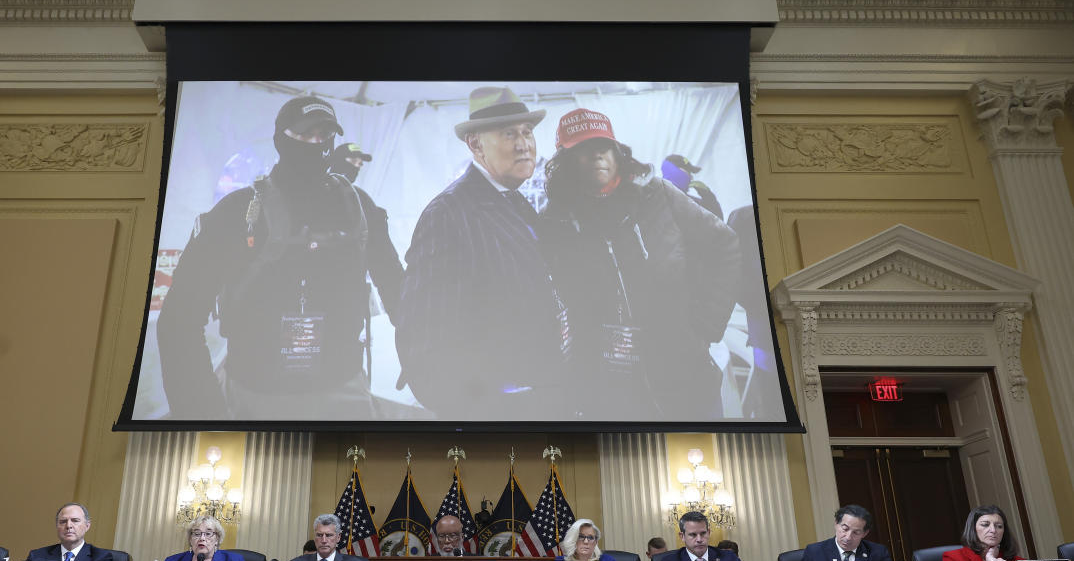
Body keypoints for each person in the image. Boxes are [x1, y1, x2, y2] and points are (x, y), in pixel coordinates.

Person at [157, 95, 404, 420]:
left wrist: (420, 358)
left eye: (325, 135)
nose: (317, 143)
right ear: (280, 140)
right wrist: (200, 409)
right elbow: (179, 319)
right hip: (253, 393)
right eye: (305, 134)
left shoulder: (357, 208)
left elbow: (400, 292)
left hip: (344, 388)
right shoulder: (237, 212)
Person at [539, 108, 740, 419]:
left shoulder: (657, 195)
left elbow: (725, 245)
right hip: (609, 390)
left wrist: (706, 323)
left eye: (603, 147)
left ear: (618, 152)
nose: (596, 156)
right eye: (582, 150)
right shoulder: (555, 221)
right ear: (566, 162)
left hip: (683, 374)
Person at [395, 86, 569, 418]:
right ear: (475, 144)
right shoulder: (449, 212)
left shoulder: (516, 202)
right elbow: (421, 326)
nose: (523, 144)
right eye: (508, 133)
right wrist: (464, 405)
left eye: (527, 132)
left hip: (536, 394)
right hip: (490, 408)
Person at [798, 504, 893, 561]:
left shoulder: (878, 552)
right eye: (845, 529)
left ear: (865, 533)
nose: (848, 537)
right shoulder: (814, 552)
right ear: (836, 524)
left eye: (856, 532)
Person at [26, 502, 113, 561]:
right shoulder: (37, 556)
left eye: (75, 521)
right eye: (63, 521)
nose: (68, 526)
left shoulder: (100, 557)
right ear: (57, 526)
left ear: (87, 526)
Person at [653, 511, 745, 561]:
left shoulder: (728, 558)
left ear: (708, 532)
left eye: (703, 533)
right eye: (693, 535)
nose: (699, 539)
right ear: (682, 536)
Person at [943, 505, 1019, 561]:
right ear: (973, 529)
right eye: (985, 525)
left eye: (999, 526)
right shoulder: (954, 558)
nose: (993, 530)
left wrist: (992, 559)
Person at [289, 513, 371, 561]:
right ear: (315, 537)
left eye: (329, 535)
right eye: (319, 535)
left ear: (338, 537)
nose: (324, 540)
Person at [164, 516, 247, 561]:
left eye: (208, 534)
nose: (202, 538)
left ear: (217, 539)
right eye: (197, 534)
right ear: (190, 539)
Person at [552, 518, 619, 561]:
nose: (586, 541)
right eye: (581, 537)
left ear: (595, 542)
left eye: (590, 537)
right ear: (572, 540)